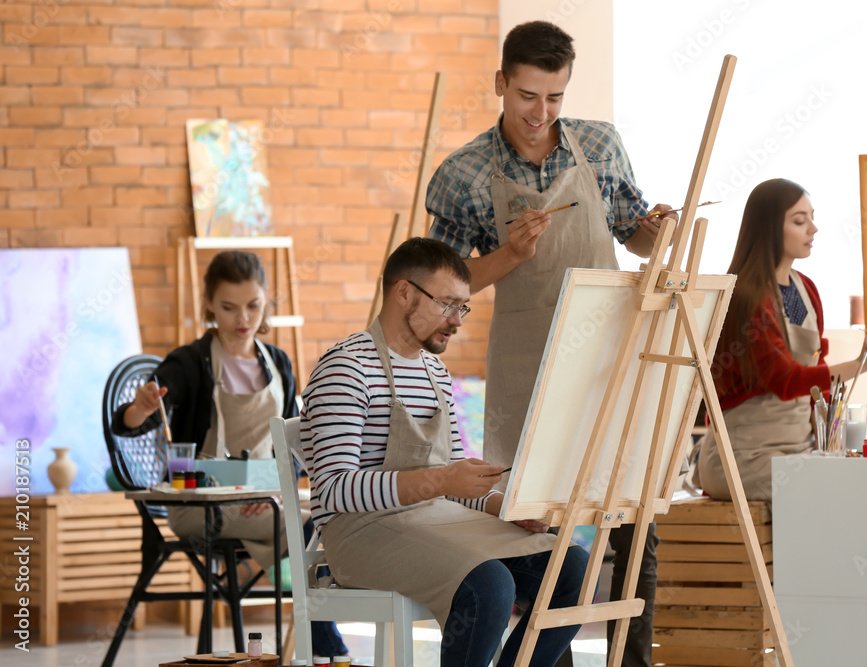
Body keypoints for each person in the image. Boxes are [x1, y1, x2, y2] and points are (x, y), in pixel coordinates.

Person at [426, 20, 669, 666]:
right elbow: (442, 285)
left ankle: (633, 658)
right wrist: (508, 253)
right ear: (501, 83)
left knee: (634, 517)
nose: (541, 114)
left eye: (555, 98)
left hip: (609, 360)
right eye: (529, 96)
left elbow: (631, 232)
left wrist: (657, 230)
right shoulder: (466, 174)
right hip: (527, 365)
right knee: (534, 526)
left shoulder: (599, 146)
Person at [302, 238, 588, 667]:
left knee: (571, 567)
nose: (457, 321)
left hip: (434, 520)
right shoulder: (347, 367)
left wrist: (503, 508)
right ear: (403, 293)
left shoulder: (434, 370)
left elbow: (455, 483)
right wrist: (440, 481)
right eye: (447, 305)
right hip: (359, 534)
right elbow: (334, 489)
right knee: (488, 585)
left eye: (463, 307)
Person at [111, 250, 349, 658]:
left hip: (266, 500)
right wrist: (143, 406)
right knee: (309, 529)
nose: (243, 319)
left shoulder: (278, 362)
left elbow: (293, 444)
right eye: (228, 307)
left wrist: (278, 491)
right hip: (200, 504)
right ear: (208, 304)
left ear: (266, 302)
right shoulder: (189, 364)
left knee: (333, 523)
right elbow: (129, 422)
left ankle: (318, 648)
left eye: (254, 306)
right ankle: (330, 651)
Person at [693, 179, 867, 500]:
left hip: (800, 449)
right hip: (744, 459)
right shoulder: (746, 296)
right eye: (800, 221)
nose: (813, 229)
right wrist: (860, 364)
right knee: (835, 494)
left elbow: (816, 370)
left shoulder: (806, 288)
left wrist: (831, 438)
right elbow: (786, 381)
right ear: (769, 227)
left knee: (865, 478)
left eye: (812, 218)